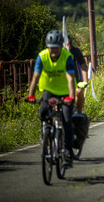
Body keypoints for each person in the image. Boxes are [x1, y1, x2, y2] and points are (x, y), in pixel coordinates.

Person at [27, 30, 75, 167]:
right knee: (42, 111)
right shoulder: (42, 57)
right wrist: (31, 95)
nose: (53, 50)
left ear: (61, 46)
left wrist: (71, 97)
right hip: (48, 90)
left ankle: (68, 154)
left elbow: (70, 78)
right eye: (51, 47)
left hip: (65, 91)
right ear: (47, 47)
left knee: (66, 119)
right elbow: (35, 77)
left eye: (56, 47)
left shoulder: (67, 57)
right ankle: (45, 135)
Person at [67, 35, 88, 114]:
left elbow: (83, 65)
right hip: (63, 80)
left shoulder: (76, 51)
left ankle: (79, 113)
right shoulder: (58, 53)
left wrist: (85, 81)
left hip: (76, 79)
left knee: (78, 92)